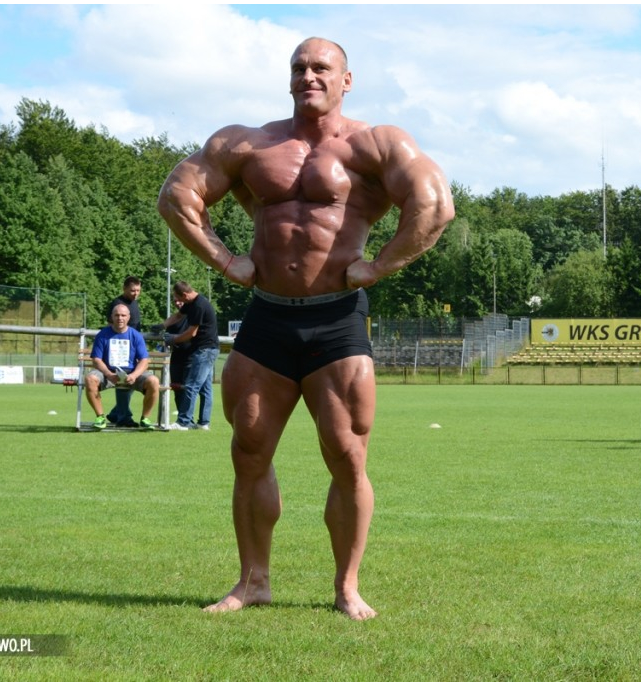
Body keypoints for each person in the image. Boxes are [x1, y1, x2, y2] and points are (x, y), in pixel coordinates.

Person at [157, 37, 454, 620]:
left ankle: (347, 587)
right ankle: (253, 582)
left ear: (347, 80)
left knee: (347, 456)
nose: (309, 75)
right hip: (266, 317)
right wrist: (224, 260)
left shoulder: (374, 143)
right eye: (299, 67)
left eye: (322, 67)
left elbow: (433, 202)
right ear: (288, 78)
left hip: (337, 321)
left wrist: (380, 265)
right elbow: (178, 193)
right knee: (248, 450)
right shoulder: (247, 144)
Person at [84, 303, 160, 431]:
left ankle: (145, 419)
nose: (120, 318)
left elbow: (144, 360)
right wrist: (109, 374)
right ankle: (100, 417)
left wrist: (135, 375)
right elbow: (96, 360)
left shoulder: (136, 335)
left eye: (123, 315)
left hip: (132, 373)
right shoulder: (102, 334)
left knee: (154, 381)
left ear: (128, 317)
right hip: (108, 374)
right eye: (117, 315)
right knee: (90, 379)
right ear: (112, 317)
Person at [162, 281, 219, 430]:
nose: (179, 302)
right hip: (207, 349)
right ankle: (203, 423)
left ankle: (183, 421)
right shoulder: (192, 303)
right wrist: (163, 325)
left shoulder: (199, 305)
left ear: (185, 295)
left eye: (179, 298)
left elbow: (191, 333)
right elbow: (178, 316)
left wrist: (172, 339)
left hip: (204, 350)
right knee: (205, 388)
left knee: (192, 385)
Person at [105, 276, 143, 428]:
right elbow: (112, 326)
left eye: (138, 290)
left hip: (134, 347)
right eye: (132, 290)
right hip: (121, 348)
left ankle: (116, 413)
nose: (136, 294)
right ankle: (124, 416)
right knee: (123, 379)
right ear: (124, 289)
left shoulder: (134, 303)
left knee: (131, 381)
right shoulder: (118, 304)